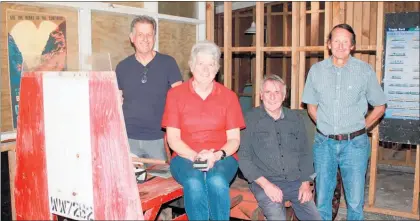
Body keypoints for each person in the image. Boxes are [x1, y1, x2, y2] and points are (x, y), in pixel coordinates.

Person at [302, 23, 386, 220]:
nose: (340, 46)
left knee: (355, 202)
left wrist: (359, 128)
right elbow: (311, 107)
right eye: (336, 41)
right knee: (322, 199)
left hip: (355, 145)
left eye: (345, 42)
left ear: (352, 46)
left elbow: (380, 106)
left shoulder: (364, 71)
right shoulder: (316, 71)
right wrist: (325, 126)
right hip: (324, 144)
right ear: (329, 44)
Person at [161, 40, 246, 220]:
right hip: (185, 156)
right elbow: (173, 139)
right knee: (194, 181)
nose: (206, 69)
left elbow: (234, 140)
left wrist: (214, 156)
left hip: (222, 157)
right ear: (192, 65)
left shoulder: (229, 97)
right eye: (201, 63)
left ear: (217, 69)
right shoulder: (175, 95)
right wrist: (196, 157)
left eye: (211, 64)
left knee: (216, 181)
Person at [238, 74, 321, 220]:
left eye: (277, 92)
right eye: (268, 92)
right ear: (261, 96)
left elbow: (305, 153)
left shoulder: (295, 118)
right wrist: (266, 185)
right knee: (277, 217)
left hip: (295, 181)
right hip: (264, 181)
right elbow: (244, 158)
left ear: (284, 96)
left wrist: (305, 183)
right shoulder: (250, 119)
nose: (272, 97)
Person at [116, 16, 182, 161]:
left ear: (154, 37)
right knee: (131, 182)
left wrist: (174, 134)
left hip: (158, 139)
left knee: (159, 180)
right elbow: (117, 101)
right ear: (132, 37)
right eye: (140, 34)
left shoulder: (168, 63)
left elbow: (181, 100)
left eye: (149, 34)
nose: (145, 39)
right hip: (128, 138)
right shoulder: (122, 67)